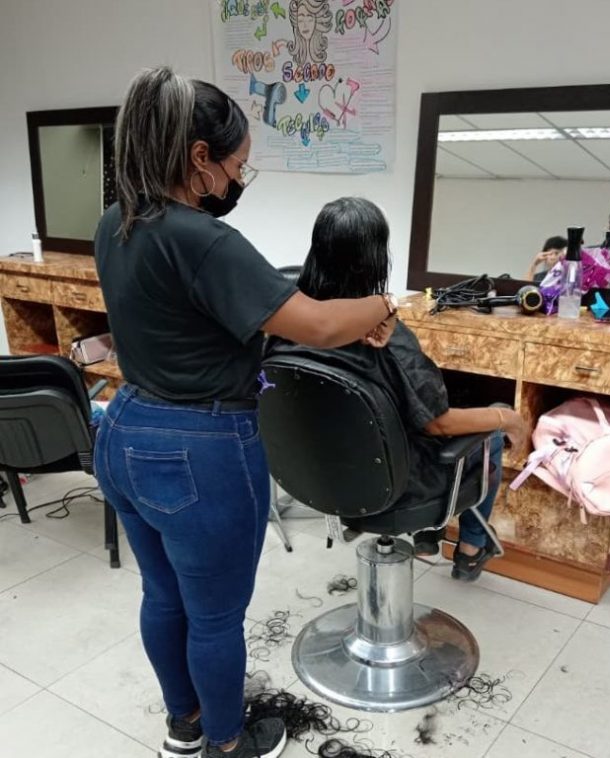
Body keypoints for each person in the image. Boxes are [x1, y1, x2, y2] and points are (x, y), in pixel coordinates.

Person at [93, 68, 398, 758]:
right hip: (197, 449)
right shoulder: (202, 238)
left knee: (163, 595)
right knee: (214, 618)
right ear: (200, 157)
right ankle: (227, 745)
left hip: (123, 428)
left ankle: (185, 725)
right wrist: (383, 304)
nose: (237, 180)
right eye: (237, 167)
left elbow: (189, 314)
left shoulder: (116, 222)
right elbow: (319, 325)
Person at [267, 197, 530, 580]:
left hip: (320, 475)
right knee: (487, 428)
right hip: (397, 484)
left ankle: (428, 536)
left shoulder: (284, 325)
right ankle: (470, 546)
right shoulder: (386, 336)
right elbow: (438, 424)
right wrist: (507, 418)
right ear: (377, 259)